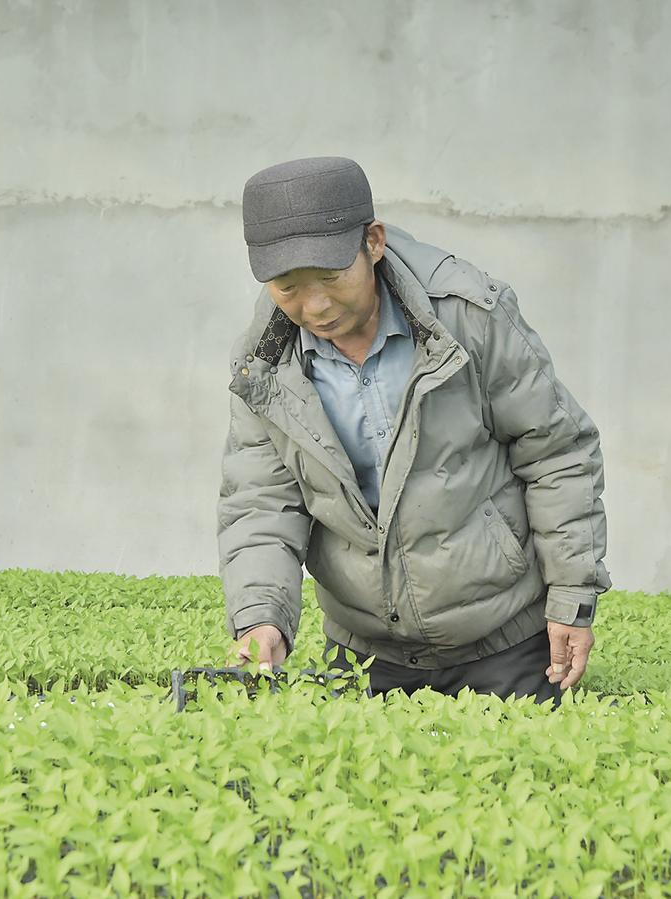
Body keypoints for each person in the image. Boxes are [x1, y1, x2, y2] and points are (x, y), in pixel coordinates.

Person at [216, 156, 611, 704]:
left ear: (373, 243)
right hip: (362, 654)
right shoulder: (264, 363)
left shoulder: (468, 317)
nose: (316, 306)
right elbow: (261, 500)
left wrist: (571, 596)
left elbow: (557, 452)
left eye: (332, 278)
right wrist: (262, 616)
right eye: (288, 289)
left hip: (504, 644)